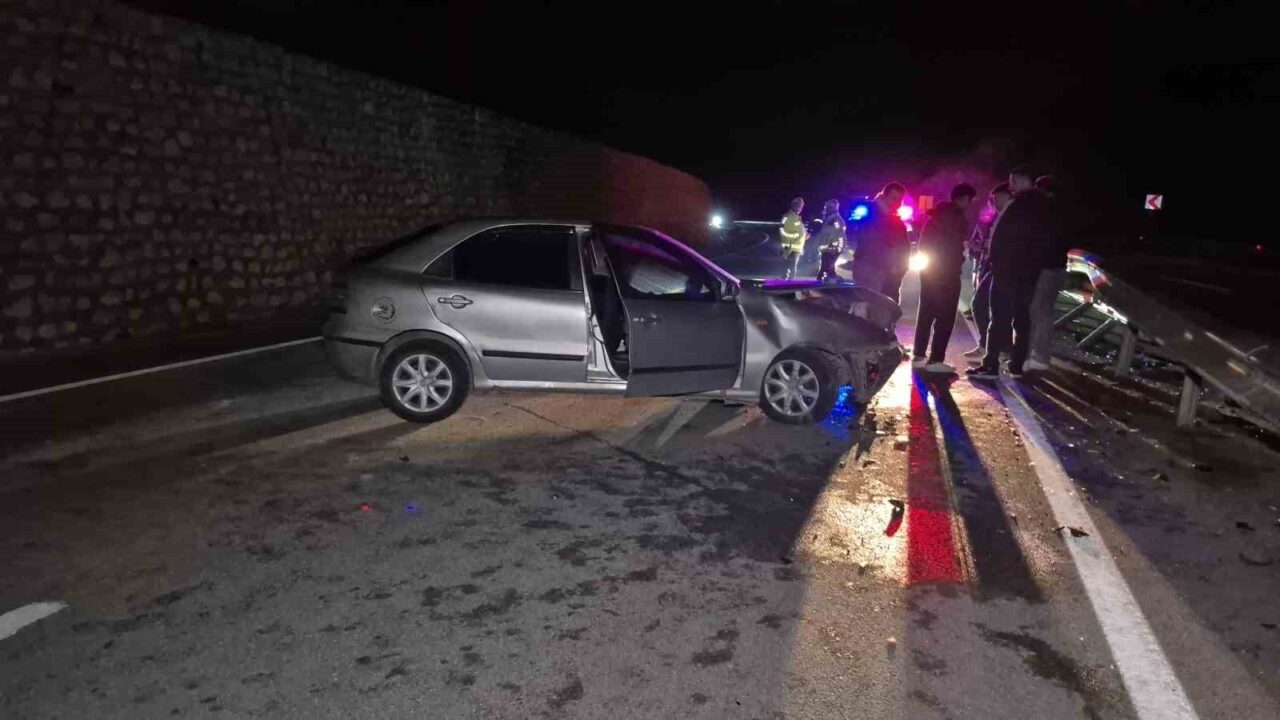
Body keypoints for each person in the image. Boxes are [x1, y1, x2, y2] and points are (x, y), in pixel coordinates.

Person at [968, 168, 1048, 380]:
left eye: (1011, 182)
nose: (1010, 187)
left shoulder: (1021, 206)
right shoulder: (1040, 206)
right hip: (1027, 271)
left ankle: (991, 365)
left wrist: (998, 261)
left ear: (1019, 181)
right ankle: (1017, 364)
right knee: (1021, 318)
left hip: (1008, 271)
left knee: (1000, 316)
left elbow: (1011, 239)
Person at [913, 183, 977, 373]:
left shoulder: (935, 215)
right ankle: (936, 360)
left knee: (926, 311)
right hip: (947, 272)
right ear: (965, 199)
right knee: (946, 316)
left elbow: (924, 243)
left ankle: (919, 355)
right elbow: (954, 247)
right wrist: (961, 257)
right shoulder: (957, 217)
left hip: (930, 271)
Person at [963, 183, 1013, 360]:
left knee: (993, 308)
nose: (993, 201)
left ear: (1007, 197)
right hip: (992, 265)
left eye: (997, 197)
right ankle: (989, 346)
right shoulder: (995, 218)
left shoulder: (1011, 217)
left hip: (1004, 268)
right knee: (986, 306)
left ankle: (999, 349)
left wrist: (985, 246)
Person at [1026, 175, 1069, 371]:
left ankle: (1039, 357)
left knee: (1037, 312)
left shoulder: (1045, 211)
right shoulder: (1062, 211)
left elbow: (1040, 241)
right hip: (1058, 267)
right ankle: (1040, 356)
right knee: (1045, 312)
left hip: (1045, 268)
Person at [853, 182, 910, 302]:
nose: (896, 202)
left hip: (891, 275)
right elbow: (870, 244)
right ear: (884, 196)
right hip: (873, 272)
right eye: (893, 198)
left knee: (887, 310)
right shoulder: (872, 216)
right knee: (870, 309)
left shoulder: (894, 219)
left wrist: (901, 268)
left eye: (899, 199)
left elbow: (903, 246)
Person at [813, 199, 846, 281]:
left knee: (826, 268)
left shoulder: (835, 219)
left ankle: (829, 284)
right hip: (827, 248)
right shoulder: (829, 219)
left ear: (831, 207)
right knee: (826, 268)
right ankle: (825, 284)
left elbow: (839, 234)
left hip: (832, 248)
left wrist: (837, 247)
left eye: (827, 207)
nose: (825, 209)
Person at [779, 197, 808, 279]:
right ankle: (786, 286)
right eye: (798, 206)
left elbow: (800, 232)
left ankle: (788, 285)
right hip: (789, 247)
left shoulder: (797, 218)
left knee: (791, 269)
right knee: (788, 269)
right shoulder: (787, 217)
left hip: (796, 248)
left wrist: (804, 236)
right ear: (793, 205)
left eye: (801, 207)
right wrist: (796, 236)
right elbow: (782, 231)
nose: (800, 208)